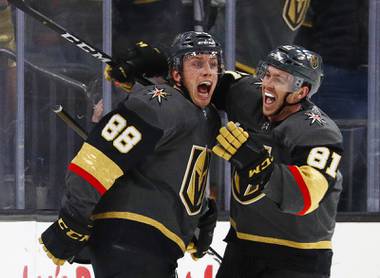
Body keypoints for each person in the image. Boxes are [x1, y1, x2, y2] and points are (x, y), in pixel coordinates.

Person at [39, 31, 222, 278]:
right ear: (177, 74)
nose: (208, 71)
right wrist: (72, 221)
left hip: (153, 249)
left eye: (213, 64)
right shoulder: (160, 104)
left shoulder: (205, 118)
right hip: (129, 241)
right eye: (197, 63)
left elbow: (186, 177)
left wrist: (198, 223)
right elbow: (94, 162)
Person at [212, 45, 343, 277]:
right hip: (242, 249)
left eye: (280, 79)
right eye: (268, 74)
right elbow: (209, 81)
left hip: (298, 258)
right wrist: (159, 69)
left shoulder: (319, 132)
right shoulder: (248, 96)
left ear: (301, 92)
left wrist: (257, 164)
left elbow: (307, 195)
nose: (268, 84)